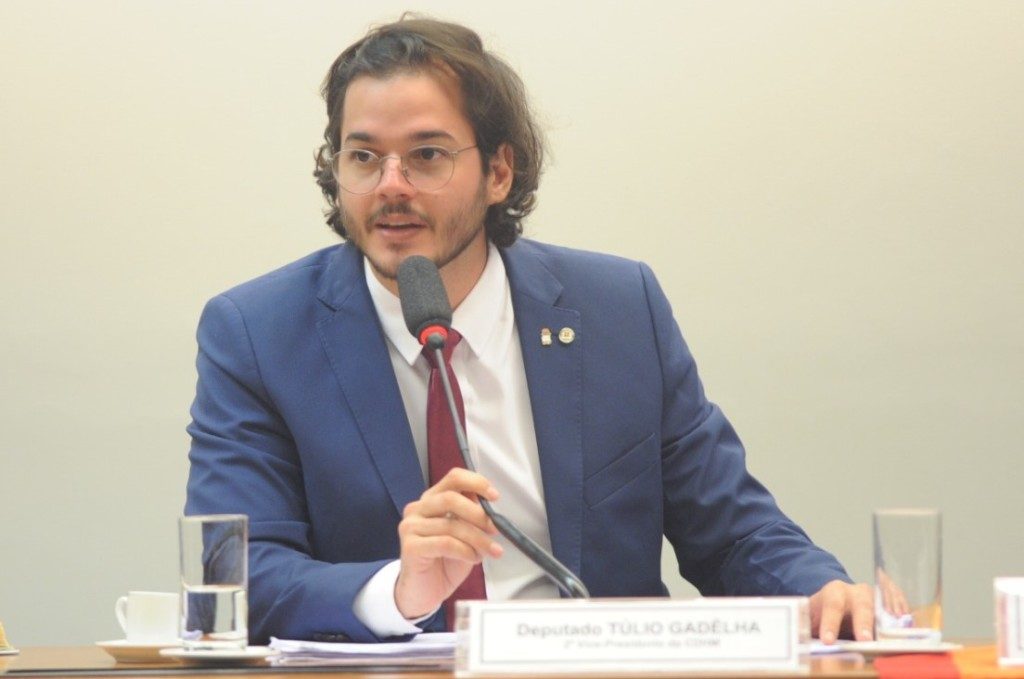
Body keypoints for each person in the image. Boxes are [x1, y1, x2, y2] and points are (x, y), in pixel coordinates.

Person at [185, 16, 873, 645]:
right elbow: (234, 575)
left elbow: (733, 531)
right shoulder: (258, 333)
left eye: (427, 155)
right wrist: (396, 590)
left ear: (498, 172)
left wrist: (818, 589)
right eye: (364, 157)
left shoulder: (617, 311)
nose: (391, 185)